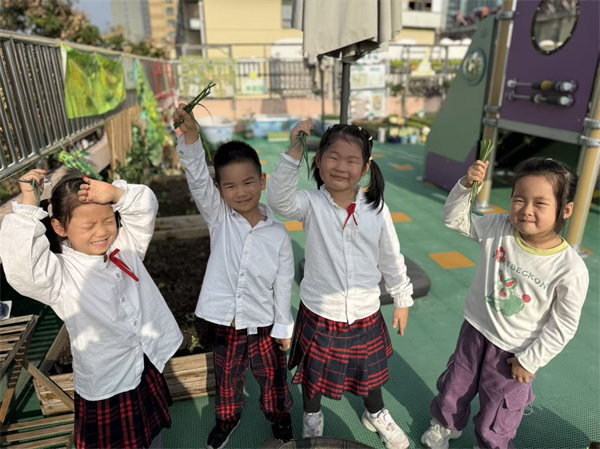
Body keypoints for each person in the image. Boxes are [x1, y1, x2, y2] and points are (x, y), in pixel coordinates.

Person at [0, 168, 183, 448]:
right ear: (59, 227)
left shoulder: (126, 246)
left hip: (144, 362)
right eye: (88, 226)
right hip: (109, 382)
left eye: (108, 220)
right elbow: (24, 267)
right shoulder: (60, 276)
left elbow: (145, 205)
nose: (102, 232)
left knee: (152, 433)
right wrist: (27, 204)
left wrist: (114, 193)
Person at [421, 157, 589, 449]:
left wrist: (530, 360)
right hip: (475, 331)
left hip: (515, 353)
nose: (526, 210)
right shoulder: (498, 226)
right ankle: (445, 425)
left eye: (540, 203)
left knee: (499, 409)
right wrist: (466, 186)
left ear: (566, 210)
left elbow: (563, 325)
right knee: (456, 385)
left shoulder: (569, 269)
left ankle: (490, 444)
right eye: (519, 199)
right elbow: (454, 219)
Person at [267, 120, 413, 449]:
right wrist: (294, 151)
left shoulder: (376, 208)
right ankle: (312, 415)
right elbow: (278, 201)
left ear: (365, 167)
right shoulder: (310, 203)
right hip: (321, 311)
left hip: (365, 312)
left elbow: (391, 256)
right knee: (314, 374)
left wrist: (402, 298)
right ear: (318, 160)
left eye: (351, 160)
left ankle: (375, 412)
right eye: (333, 157)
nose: (341, 167)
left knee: (369, 371)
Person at [173, 105, 295, 449]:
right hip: (227, 322)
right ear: (219, 189)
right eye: (230, 185)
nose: (240, 192)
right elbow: (198, 178)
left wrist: (283, 326)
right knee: (227, 379)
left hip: (264, 322)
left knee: (273, 379)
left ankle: (280, 419)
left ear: (262, 181)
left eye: (248, 182)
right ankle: (227, 420)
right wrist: (191, 137)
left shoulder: (278, 234)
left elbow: (283, 283)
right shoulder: (219, 218)